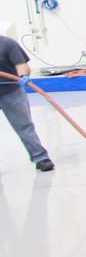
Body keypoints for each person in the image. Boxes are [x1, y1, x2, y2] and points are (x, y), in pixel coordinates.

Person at [0, 36, 54, 172]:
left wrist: (23, 76)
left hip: (11, 92)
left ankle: (41, 158)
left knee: (24, 126)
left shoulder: (7, 43)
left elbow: (21, 65)